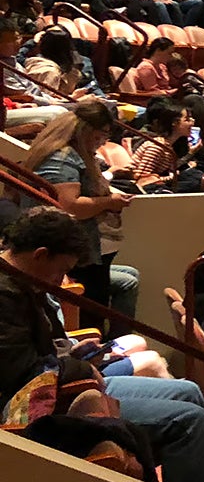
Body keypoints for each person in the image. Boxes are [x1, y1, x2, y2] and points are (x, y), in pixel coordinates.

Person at [0, 207, 204, 482]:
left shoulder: (23, 281)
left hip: (65, 384)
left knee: (188, 391)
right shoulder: (5, 294)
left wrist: (76, 355)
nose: (61, 280)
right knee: (189, 421)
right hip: (42, 405)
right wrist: (78, 369)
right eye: (60, 270)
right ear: (40, 255)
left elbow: (43, 347)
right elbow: (19, 372)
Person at [19, 102, 135, 321]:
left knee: (117, 288)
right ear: (88, 131)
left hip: (85, 253)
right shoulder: (62, 158)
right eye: (102, 135)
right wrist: (109, 202)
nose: (103, 142)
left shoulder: (76, 155)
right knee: (91, 313)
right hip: (69, 251)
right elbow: (68, 207)